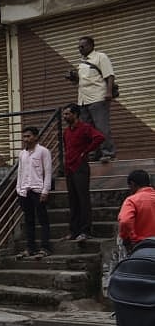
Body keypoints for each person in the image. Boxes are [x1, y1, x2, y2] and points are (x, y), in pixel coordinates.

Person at [61, 103, 104, 242]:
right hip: (69, 168)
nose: (65, 116)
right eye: (64, 114)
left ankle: (85, 230)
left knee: (83, 199)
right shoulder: (66, 132)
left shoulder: (85, 128)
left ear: (75, 114)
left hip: (80, 167)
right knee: (73, 200)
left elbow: (99, 137)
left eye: (67, 114)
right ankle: (74, 231)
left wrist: (86, 151)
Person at [68, 36, 115, 163]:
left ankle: (108, 153)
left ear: (91, 46)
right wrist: (73, 78)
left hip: (98, 98)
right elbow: (81, 81)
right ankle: (93, 153)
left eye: (82, 46)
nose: (80, 49)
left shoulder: (101, 57)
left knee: (101, 127)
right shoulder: (81, 62)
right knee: (88, 129)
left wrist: (109, 92)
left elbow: (109, 75)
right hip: (83, 100)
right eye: (78, 47)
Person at [15, 127, 54, 258]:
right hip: (24, 191)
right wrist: (19, 190)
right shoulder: (22, 154)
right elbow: (20, 172)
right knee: (29, 220)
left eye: (28, 136)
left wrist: (45, 190)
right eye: (24, 136)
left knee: (43, 220)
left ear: (36, 137)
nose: (26, 139)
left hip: (38, 190)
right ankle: (30, 248)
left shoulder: (43, 151)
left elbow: (48, 172)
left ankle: (45, 247)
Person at [119, 169, 155, 255]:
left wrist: (129, 238)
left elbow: (125, 221)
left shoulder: (131, 200)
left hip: (142, 246)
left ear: (132, 184)